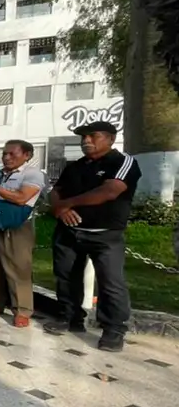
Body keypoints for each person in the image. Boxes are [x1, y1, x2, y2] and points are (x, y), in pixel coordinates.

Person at [43, 121, 141, 352]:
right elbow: (56, 191)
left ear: (111, 139)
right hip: (69, 232)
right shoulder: (76, 166)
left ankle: (114, 329)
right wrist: (61, 209)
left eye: (93, 136)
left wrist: (66, 204)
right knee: (66, 276)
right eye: (83, 137)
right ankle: (70, 317)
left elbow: (110, 191)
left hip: (105, 236)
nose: (86, 141)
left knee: (111, 283)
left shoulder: (122, 162)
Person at [0, 140, 45, 327]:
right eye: (4, 154)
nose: (7, 157)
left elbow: (22, 198)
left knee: (18, 269)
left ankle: (22, 310)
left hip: (16, 227)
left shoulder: (32, 174)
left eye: (12, 154)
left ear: (27, 155)